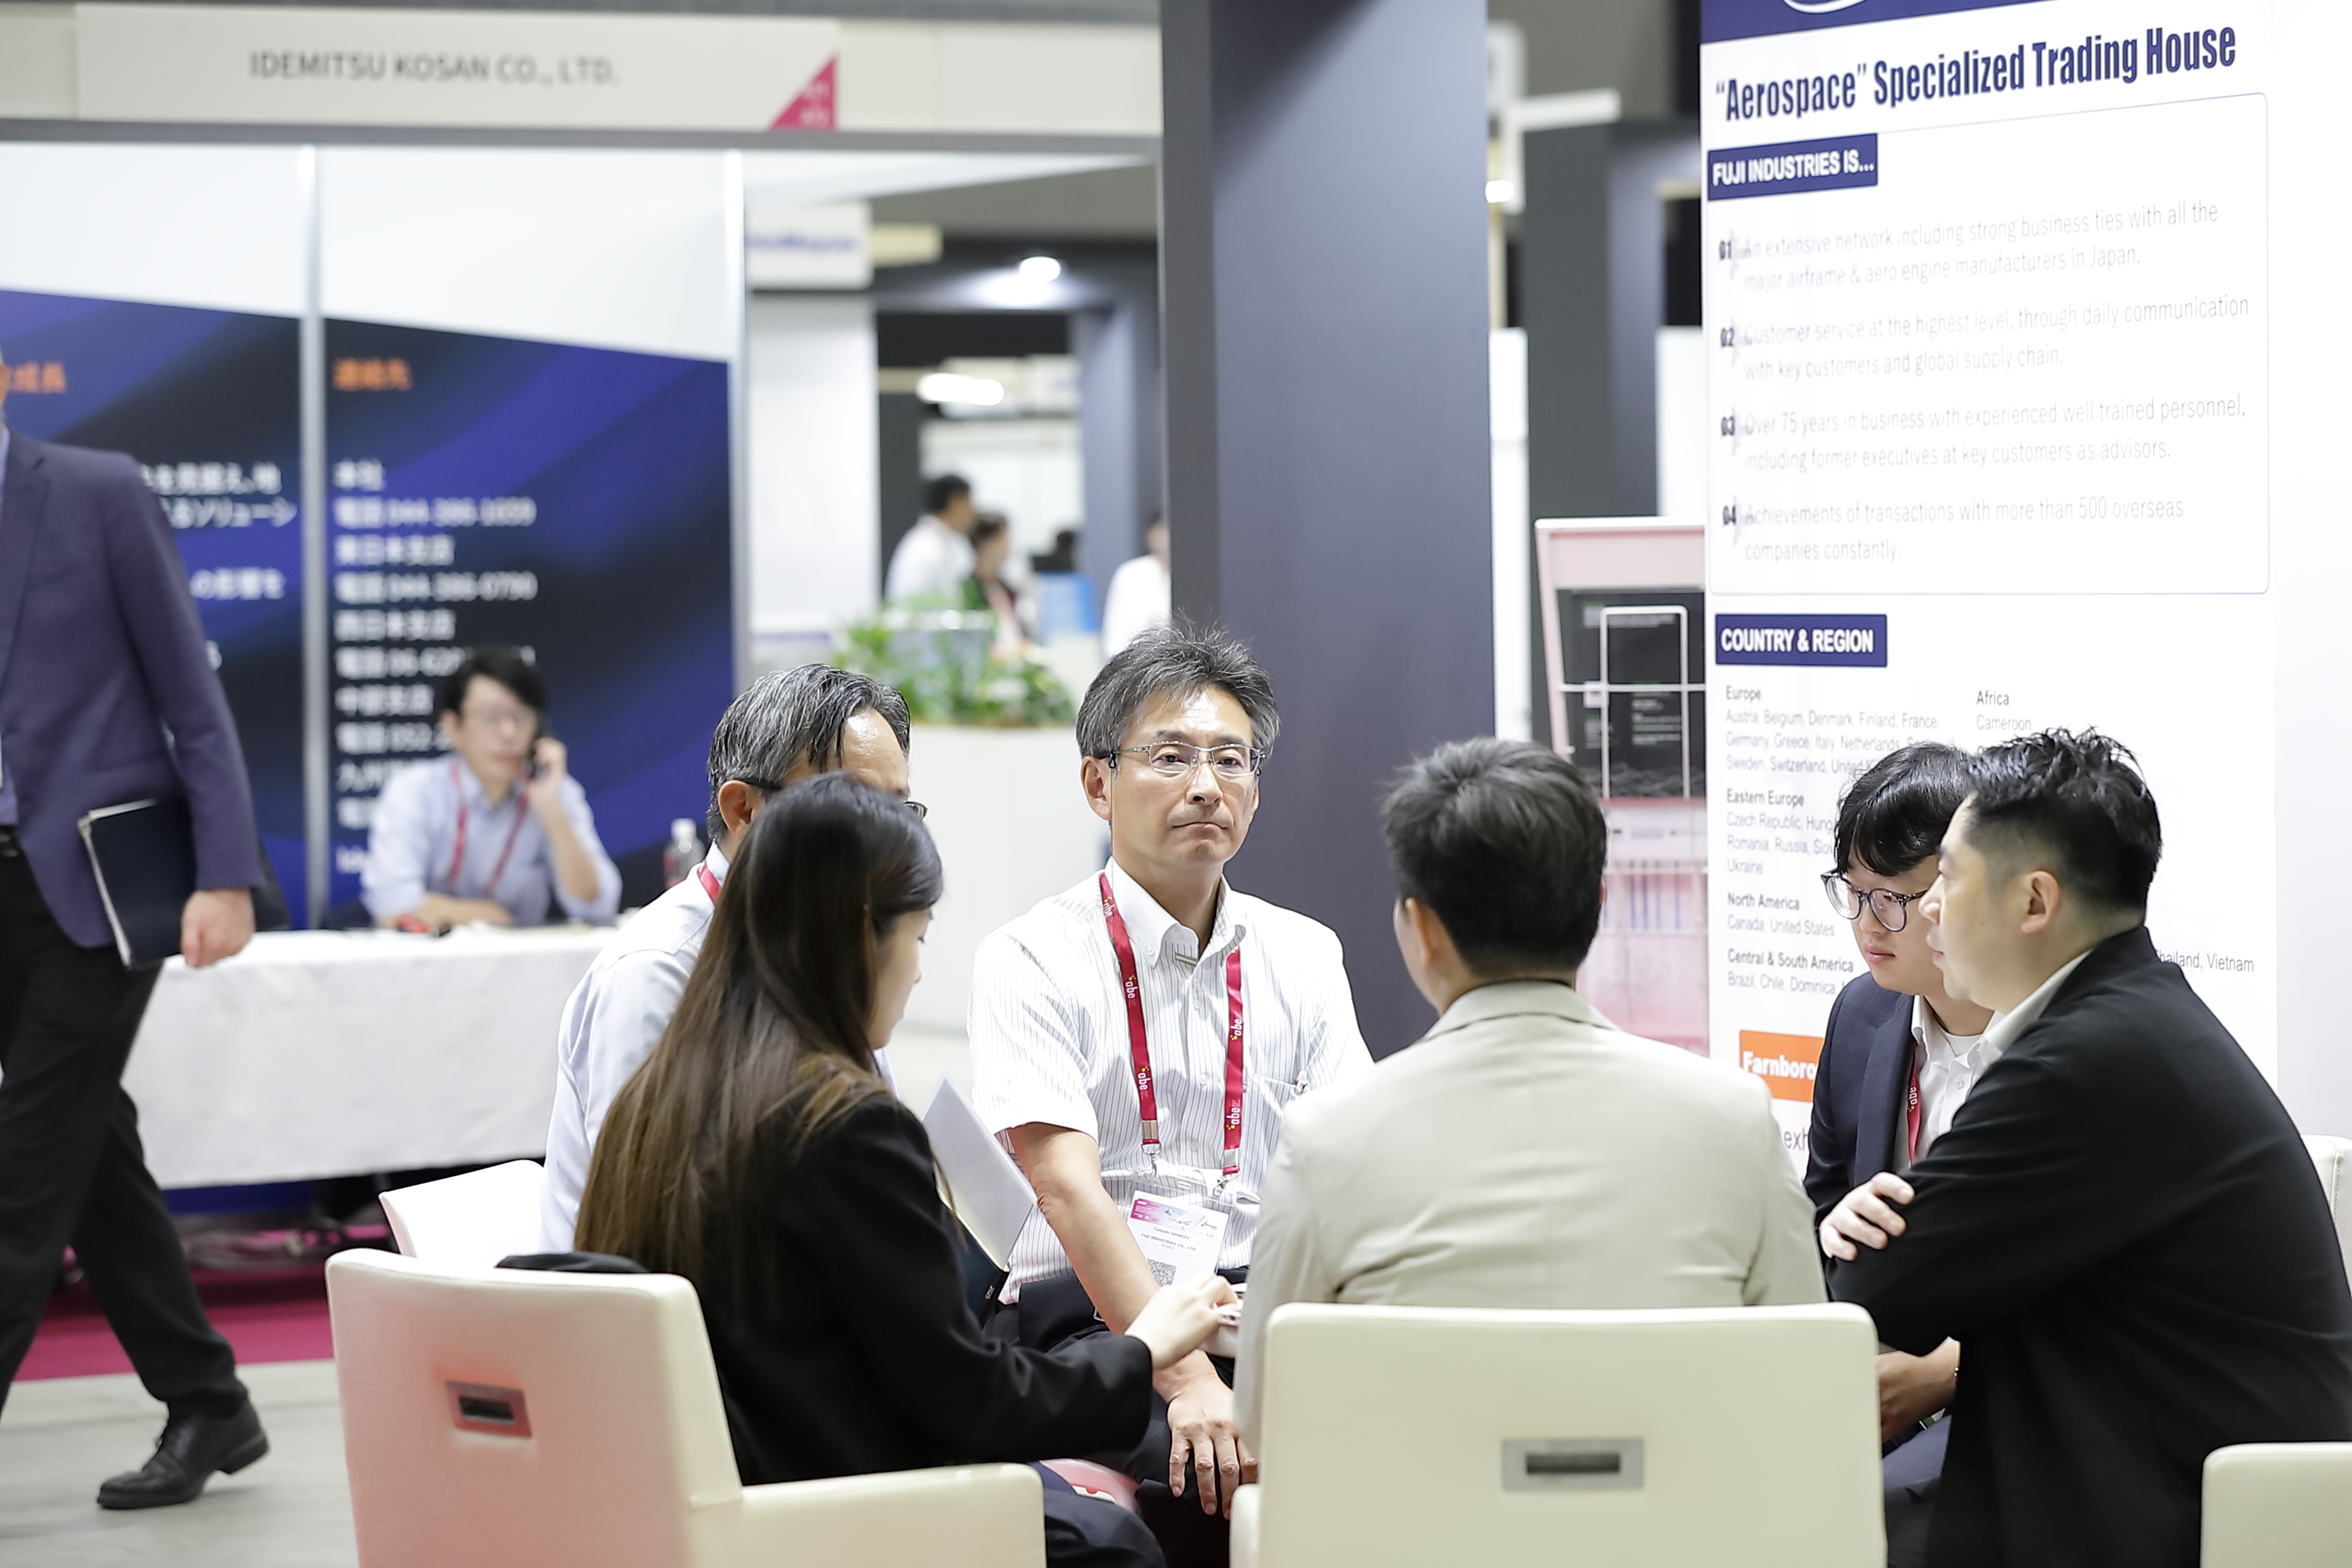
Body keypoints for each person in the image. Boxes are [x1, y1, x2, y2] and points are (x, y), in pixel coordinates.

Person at [573, 776, 1233, 1568]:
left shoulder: (649, 1102)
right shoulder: (844, 1125)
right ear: (864, 932)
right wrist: (1145, 1347)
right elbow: (976, 1406)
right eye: (918, 936)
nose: (918, 971)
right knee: (1114, 1544)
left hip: (709, 1508)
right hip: (845, 1510)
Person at [1823, 730, 2352, 1568]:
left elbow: (1875, 1291)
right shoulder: (2134, 1016)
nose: (1928, 911)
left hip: (2168, 1511)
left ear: (2035, 902)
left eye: (1948, 879)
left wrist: (1860, 1238)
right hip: (2158, 1470)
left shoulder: (2080, 1064)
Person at [1235, 738, 1820, 1445]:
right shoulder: (1735, 1119)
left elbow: (1264, 1417)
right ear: (1597, 906)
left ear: (1422, 928)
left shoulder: (1326, 1139)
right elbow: (1803, 1383)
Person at [969, 620, 1372, 1561]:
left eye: (1231, 759)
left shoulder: (1305, 956)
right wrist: (1184, 1379)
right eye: (1170, 756)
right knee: (1203, 1482)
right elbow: (1066, 1189)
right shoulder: (1031, 957)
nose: (1206, 785)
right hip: (1095, 1323)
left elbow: (1351, 1168)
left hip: (1265, 1315)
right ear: (1097, 783)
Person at [0, 367, 269, 1507]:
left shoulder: (95, 492)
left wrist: (226, 874)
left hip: (96, 889)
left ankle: (207, 1401)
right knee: (85, 1153)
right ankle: (208, 1400)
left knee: (20, 1176)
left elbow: (190, 698)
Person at [538, 664, 916, 1251]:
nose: (891, 846)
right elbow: (649, 1230)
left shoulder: (830, 942)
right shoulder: (657, 973)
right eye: (859, 808)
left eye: (901, 811)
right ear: (744, 810)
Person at [1807, 742, 1988, 1565]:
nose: (1866, 924)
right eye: (1852, 891)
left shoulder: (2057, 1041)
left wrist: (1944, 1372)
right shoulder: (1863, 1016)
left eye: (1893, 898)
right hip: (1867, 1380)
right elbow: (1819, 1216)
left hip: (2006, 1394)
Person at [361, 647, 619, 930]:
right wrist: (492, 915)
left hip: (526, 959)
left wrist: (553, 814)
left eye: (521, 717)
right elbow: (393, 905)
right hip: (428, 958)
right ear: (453, 728)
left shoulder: (555, 791)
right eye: (490, 717)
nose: (508, 733)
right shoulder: (415, 792)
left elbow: (598, 907)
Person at [886, 472, 979, 603]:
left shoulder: (948, 541)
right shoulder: (924, 547)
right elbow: (912, 606)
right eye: (969, 503)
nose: (974, 512)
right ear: (956, 503)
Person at [1101, 512, 1170, 659]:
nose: (1164, 538)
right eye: (1159, 531)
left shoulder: (1189, 574)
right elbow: (1115, 634)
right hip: (1132, 662)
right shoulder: (1130, 573)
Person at [964, 512, 1039, 648]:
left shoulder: (1008, 588)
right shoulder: (968, 590)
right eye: (1003, 538)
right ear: (985, 543)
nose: (1009, 545)